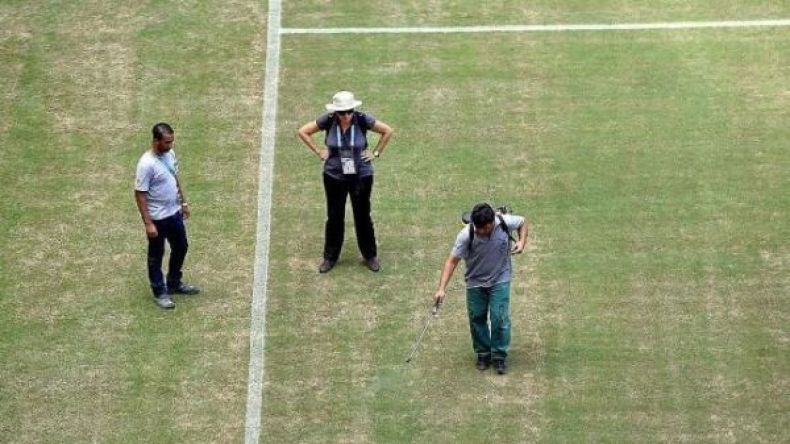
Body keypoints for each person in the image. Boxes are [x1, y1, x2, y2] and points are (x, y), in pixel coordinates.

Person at [297, 91, 394, 273]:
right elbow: (303, 131)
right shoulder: (328, 120)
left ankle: (370, 255)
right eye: (342, 113)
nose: (346, 116)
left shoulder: (363, 119)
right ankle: (330, 257)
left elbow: (387, 131)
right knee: (334, 216)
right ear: (335, 112)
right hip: (334, 176)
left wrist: (375, 153)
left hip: (361, 176)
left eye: (349, 111)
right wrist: (319, 151)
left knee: (363, 215)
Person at [434, 203, 528, 374]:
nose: (479, 231)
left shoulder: (505, 222)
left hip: (501, 277)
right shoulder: (465, 235)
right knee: (477, 317)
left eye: (482, 228)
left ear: (491, 223)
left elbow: (522, 222)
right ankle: (483, 353)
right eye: (476, 227)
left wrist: (522, 242)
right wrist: (441, 289)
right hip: (475, 281)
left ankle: (499, 356)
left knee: (499, 318)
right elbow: (452, 261)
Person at [134, 122, 200, 309]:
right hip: (157, 218)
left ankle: (173, 282)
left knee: (181, 246)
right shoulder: (146, 164)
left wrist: (183, 202)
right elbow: (140, 193)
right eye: (167, 142)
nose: (170, 146)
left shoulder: (169, 154)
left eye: (172, 141)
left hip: (174, 213)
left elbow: (175, 178)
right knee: (156, 254)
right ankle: (159, 291)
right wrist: (148, 223)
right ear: (156, 141)